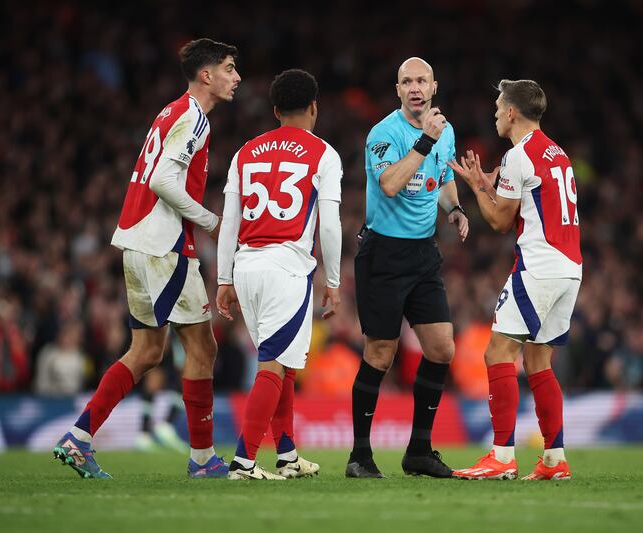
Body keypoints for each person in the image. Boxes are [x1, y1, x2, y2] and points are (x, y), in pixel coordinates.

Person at [53, 38, 241, 479]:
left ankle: (78, 438)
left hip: (139, 241)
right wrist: (212, 222)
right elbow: (162, 180)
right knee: (200, 346)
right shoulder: (194, 118)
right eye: (230, 68)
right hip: (164, 246)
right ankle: (202, 460)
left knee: (147, 350)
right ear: (207, 75)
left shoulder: (169, 111)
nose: (237, 77)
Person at [449, 79, 581, 481]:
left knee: (497, 354)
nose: (493, 113)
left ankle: (502, 456)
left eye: (497, 106)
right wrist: (494, 186)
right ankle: (554, 460)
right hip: (569, 266)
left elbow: (499, 221)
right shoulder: (556, 153)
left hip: (538, 265)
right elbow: (533, 200)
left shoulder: (518, 155)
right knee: (539, 362)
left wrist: (475, 188)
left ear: (511, 112)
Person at [216, 69, 342, 480]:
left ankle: (286, 455)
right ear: (313, 108)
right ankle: (244, 461)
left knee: (282, 363)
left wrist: (223, 278)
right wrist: (335, 281)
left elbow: (229, 220)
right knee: (273, 365)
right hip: (286, 268)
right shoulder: (323, 153)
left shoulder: (246, 151)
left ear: (274, 111)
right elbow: (329, 224)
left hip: (247, 266)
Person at [346, 57, 469, 479]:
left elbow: (440, 175)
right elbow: (391, 184)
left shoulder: (444, 131)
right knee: (380, 353)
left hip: (422, 254)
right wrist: (424, 142)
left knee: (442, 349)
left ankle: (418, 450)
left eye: (421, 80)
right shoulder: (384, 134)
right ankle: (359, 455)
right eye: (407, 81)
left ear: (434, 86)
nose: (415, 87)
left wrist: (453, 207)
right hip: (383, 254)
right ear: (397, 89)